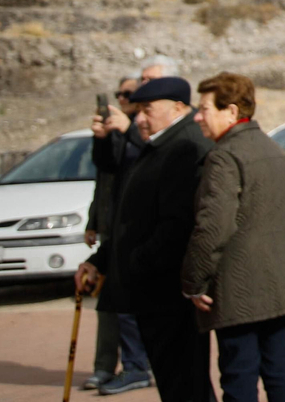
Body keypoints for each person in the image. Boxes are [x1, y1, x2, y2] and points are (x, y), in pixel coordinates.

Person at [77, 76, 216, 402]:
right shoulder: (159, 143)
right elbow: (132, 217)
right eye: (136, 110)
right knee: (176, 382)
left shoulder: (185, 146)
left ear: (178, 107)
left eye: (147, 110)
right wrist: (100, 260)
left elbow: (175, 226)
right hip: (152, 289)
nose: (139, 118)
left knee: (185, 382)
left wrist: (138, 263)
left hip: (167, 292)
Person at [182, 73, 285, 402]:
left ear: (230, 111)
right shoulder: (276, 151)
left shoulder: (225, 156)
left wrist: (193, 281)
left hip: (238, 289)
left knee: (239, 376)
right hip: (278, 285)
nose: (198, 117)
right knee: (279, 368)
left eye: (203, 109)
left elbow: (213, 226)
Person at [83, 74, 152, 395]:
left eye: (128, 94)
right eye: (119, 94)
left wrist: (128, 130)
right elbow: (105, 173)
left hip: (139, 228)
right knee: (111, 303)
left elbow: (150, 163)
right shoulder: (124, 128)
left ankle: (138, 365)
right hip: (115, 226)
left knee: (129, 303)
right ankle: (107, 366)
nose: (122, 99)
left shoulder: (143, 128)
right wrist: (101, 137)